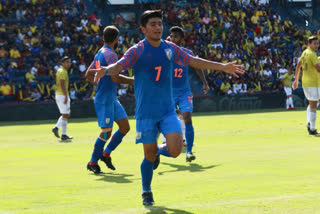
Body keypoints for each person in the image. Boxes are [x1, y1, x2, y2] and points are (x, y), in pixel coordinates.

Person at [91, 10, 244, 206]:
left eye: (159, 23)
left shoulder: (170, 48)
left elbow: (194, 61)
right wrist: (105, 70)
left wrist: (222, 67)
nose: (157, 27)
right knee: (148, 155)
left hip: (167, 110)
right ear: (143, 29)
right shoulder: (136, 50)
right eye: (153, 24)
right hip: (146, 113)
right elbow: (119, 66)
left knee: (176, 149)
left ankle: (157, 153)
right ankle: (146, 190)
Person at [85, 26, 134, 174]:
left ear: (103, 38)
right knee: (106, 132)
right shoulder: (111, 55)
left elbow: (88, 74)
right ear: (116, 39)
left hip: (110, 98)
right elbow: (116, 78)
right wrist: (134, 81)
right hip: (105, 99)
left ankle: (105, 154)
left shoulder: (100, 52)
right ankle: (92, 162)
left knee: (125, 127)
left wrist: (98, 81)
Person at [161, 26, 210, 162]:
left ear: (182, 39)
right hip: (169, 93)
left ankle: (188, 152)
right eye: (171, 36)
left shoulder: (187, 53)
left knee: (187, 117)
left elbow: (197, 67)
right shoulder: (166, 52)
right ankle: (161, 147)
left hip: (184, 92)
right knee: (165, 119)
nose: (173, 38)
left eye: (176, 36)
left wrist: (204, 83)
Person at [292, 36, 320, 135]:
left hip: (306, 82)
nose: (316, 45)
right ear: (309, 44)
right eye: (315, 43)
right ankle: (312, 129)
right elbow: (318, 68)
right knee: (313, 105)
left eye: (317, 43)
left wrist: (296, 80)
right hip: (313, 83)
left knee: (313, 103)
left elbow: (298, 66)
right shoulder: (312, 54)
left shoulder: (304, 53)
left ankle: (309, 123)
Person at [52, 56, 73, 140]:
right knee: (65, 114)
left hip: (60, 94)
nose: (69, 64)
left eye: (69, 62)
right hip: (62, 94)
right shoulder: (63, 71)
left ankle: (63, 134)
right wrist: (65, 96)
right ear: (63, 63)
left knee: (66, 114)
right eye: (67, 62)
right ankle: (56, 128)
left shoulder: (60, 71)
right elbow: (62, 84)